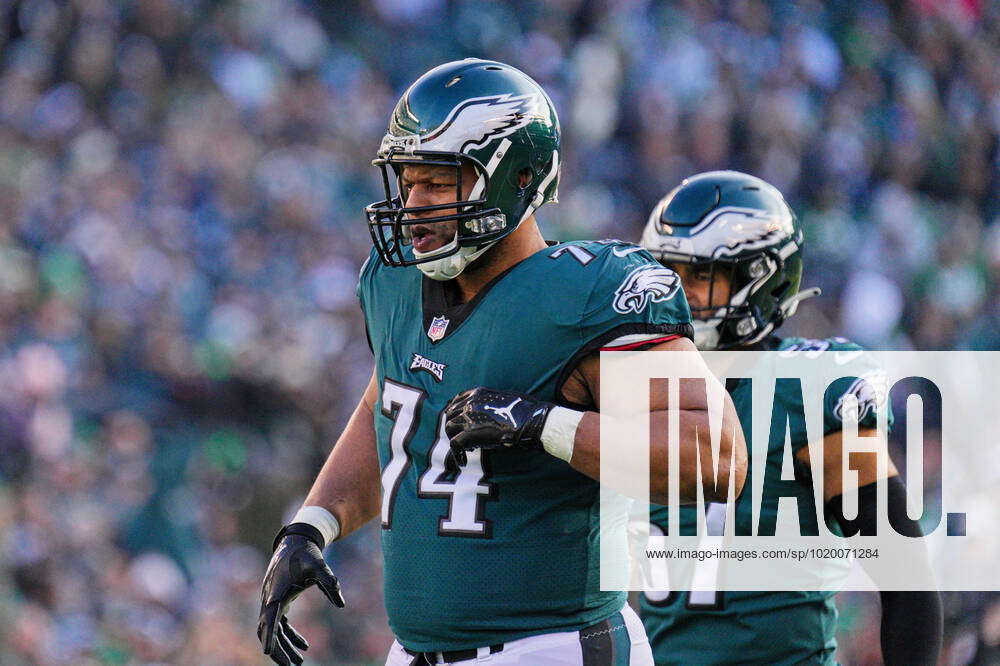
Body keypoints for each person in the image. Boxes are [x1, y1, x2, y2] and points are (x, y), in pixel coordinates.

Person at [256, 60, 747, 666]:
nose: (413, 205)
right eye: (407, 182)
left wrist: (545, 425)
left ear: (515, 178)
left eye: (437, 182)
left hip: (551, 648)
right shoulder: (393, 283)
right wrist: (313, 525)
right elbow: (390, 402)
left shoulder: (589, 296)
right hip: (414, 653)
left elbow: (714, 457)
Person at [637, 170, 942, 665]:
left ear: (759, 278)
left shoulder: (808, 390)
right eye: (670, 274)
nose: (680, 292)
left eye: (700, 275)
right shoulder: (640, 388)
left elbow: (905, 580)